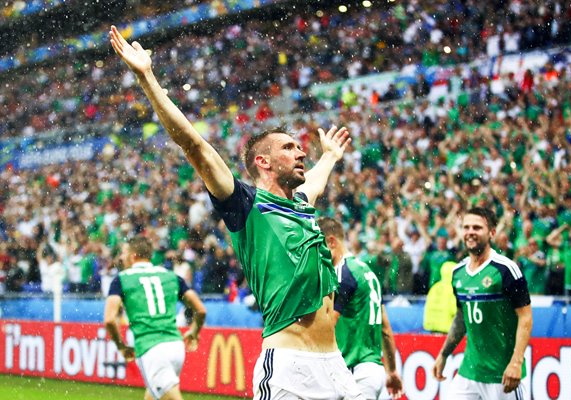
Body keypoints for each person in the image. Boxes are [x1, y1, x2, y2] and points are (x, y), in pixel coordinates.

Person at [109, 26, 364, 399]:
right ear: (263, 162)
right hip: (290, 366)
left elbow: (317, 182)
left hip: (335, 364)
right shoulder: (245, 204)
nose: (301, 153)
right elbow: (192, 143)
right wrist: (147, 77)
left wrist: (330, 156)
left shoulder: (300, 205)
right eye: (290, 148)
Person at [432, 207, 532, 399]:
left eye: (477, 227)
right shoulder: (458, 273)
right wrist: (444, 354)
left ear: (492, 233)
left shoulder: (506, 269)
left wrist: (516, 363)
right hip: (469, 371)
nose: (470, 232)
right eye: (466, 227)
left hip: (501, 374)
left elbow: (525, 317)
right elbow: (461, 317)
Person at [104, 236, 206, 400]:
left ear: (133, 256)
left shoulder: (121, 280)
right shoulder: (171, 276)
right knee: (153, 395)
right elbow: (200, 310)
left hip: (151, 349)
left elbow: (109, 319)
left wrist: (121, 346)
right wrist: (194, 331)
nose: (121, 258)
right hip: (176, 347)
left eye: (123, 253)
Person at [318, 217, 404, 400]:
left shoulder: (342, 274)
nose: (316, 254)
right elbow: (386, 329)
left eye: (318, 246)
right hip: (374, 371)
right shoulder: (366, 272)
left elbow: (326, 326)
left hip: (354, 373)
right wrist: (392, 371)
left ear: (331, 242)